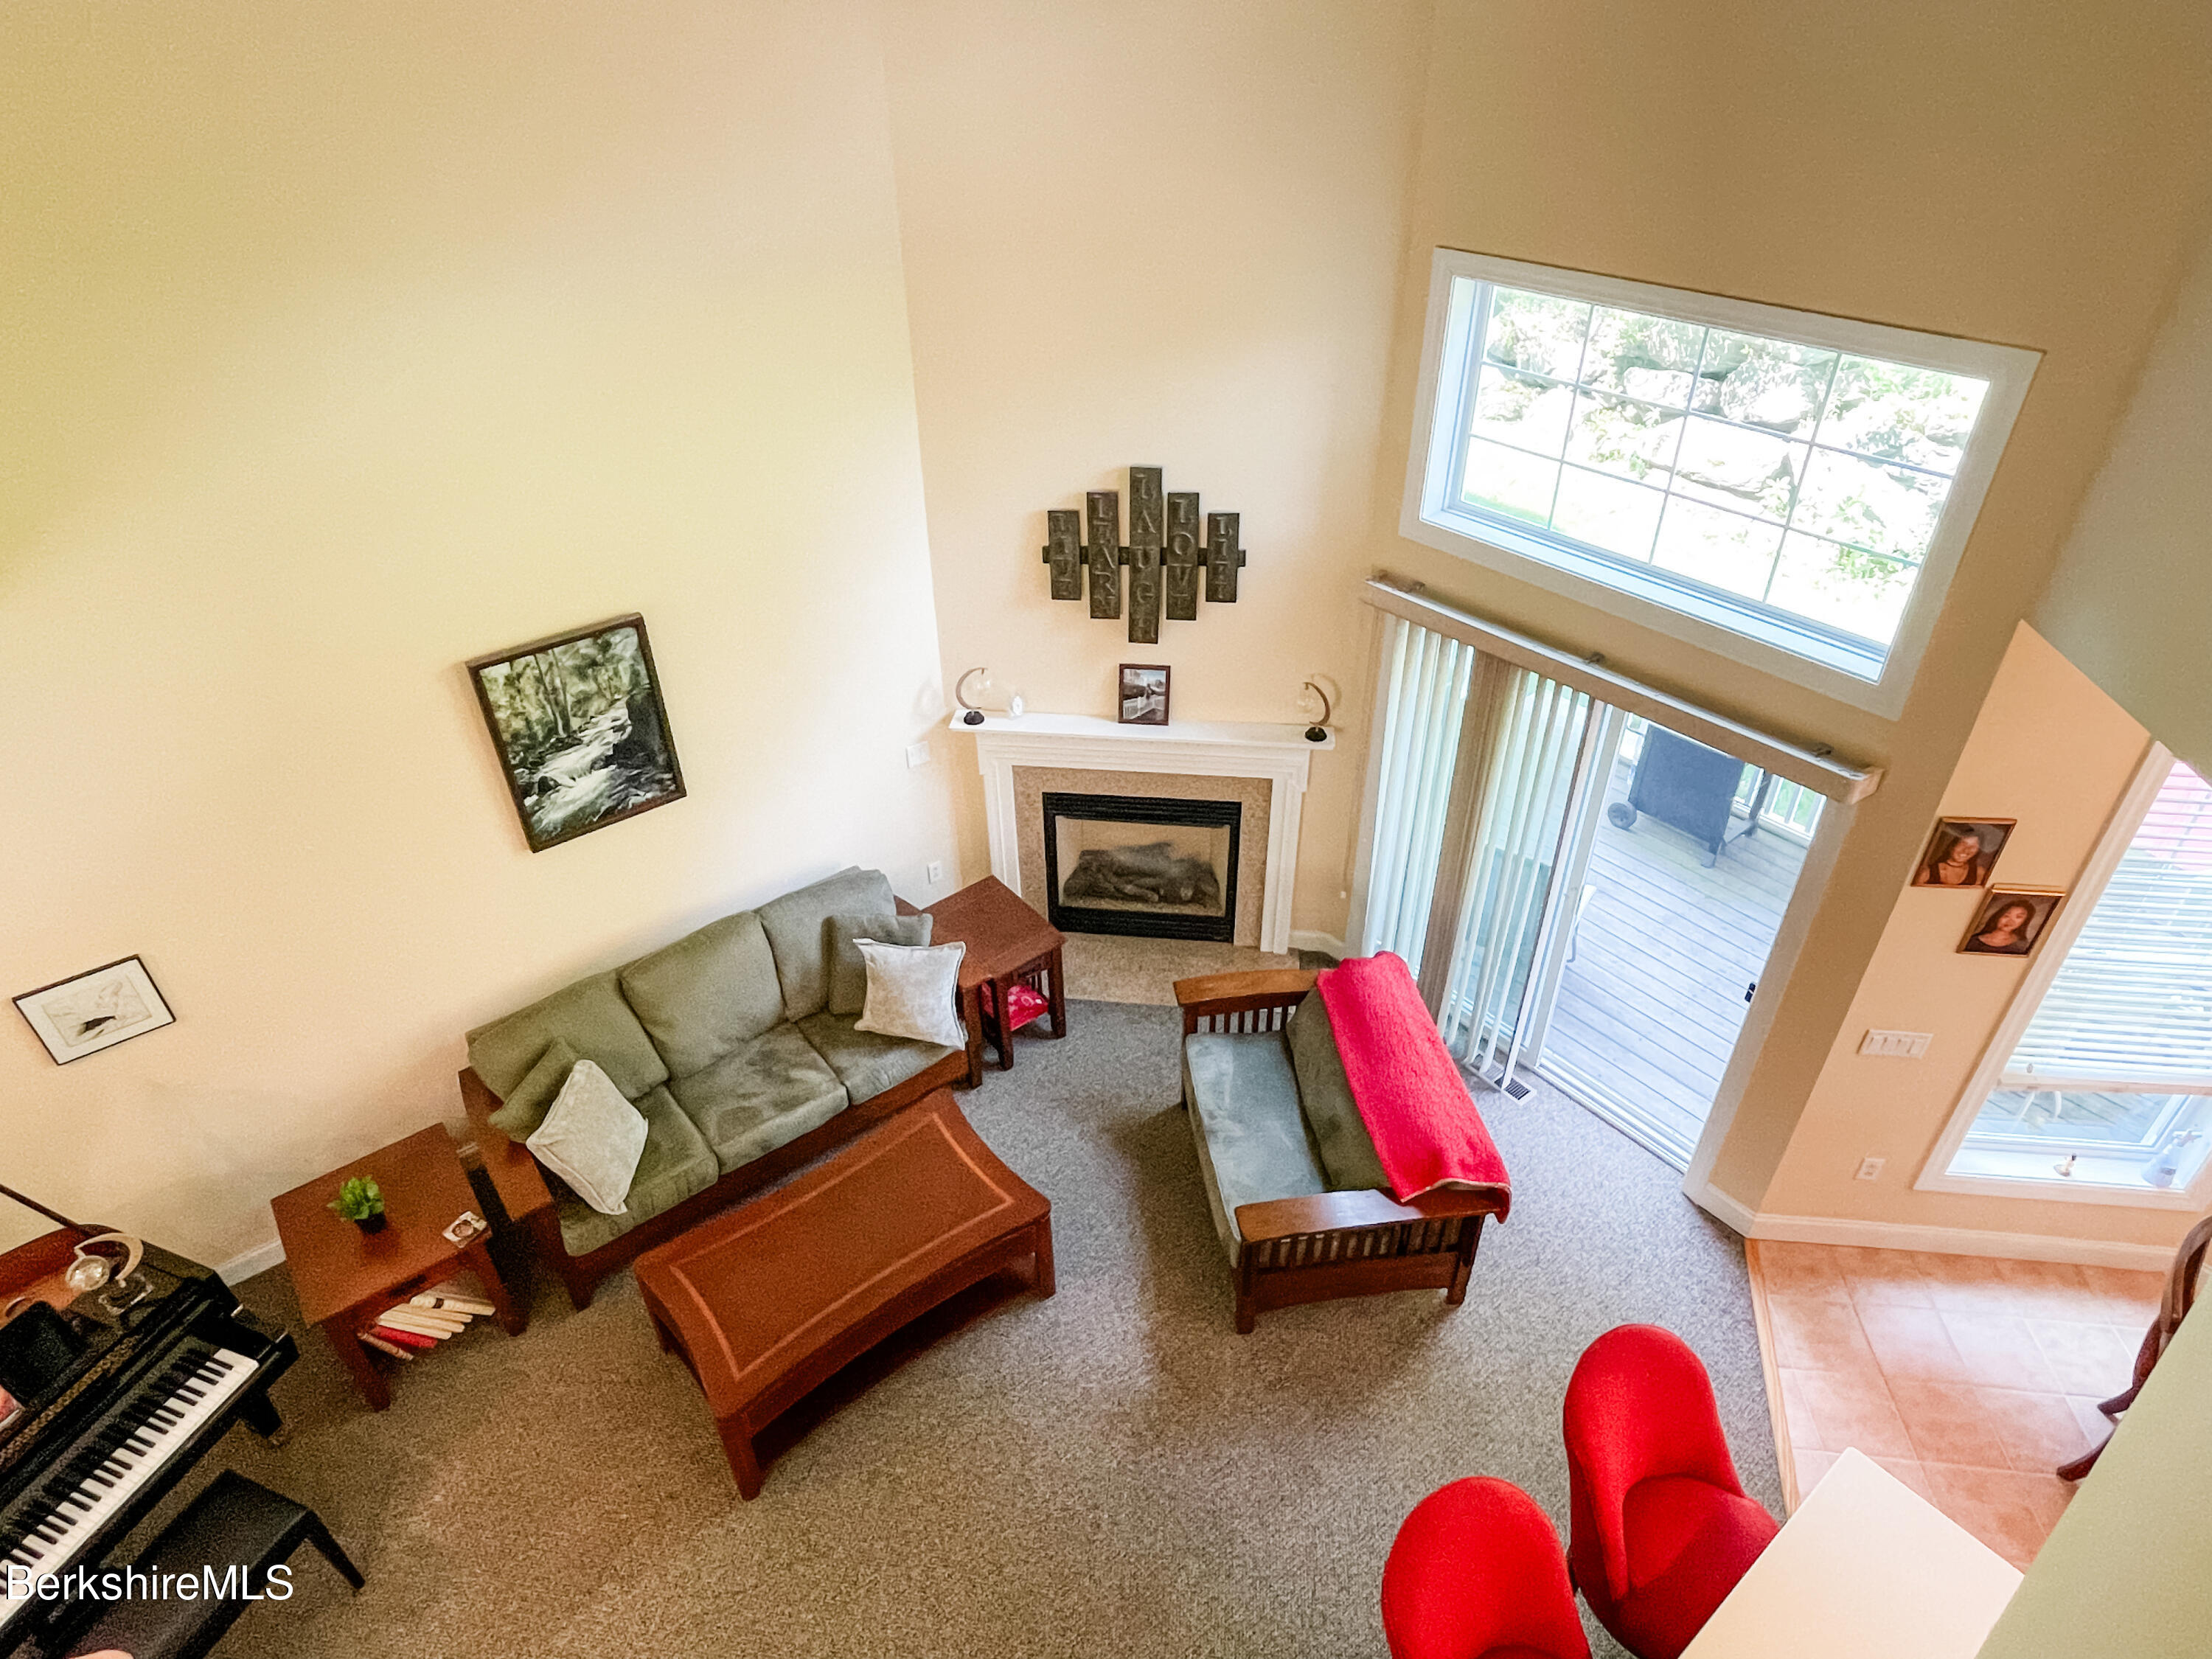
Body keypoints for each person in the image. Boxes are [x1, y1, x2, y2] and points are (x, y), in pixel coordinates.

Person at [1921, 827, 1992, 886]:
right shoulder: (1927, 872)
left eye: (1973, 847)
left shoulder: (1979, 874)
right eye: (1963, 844)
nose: (1966, 850)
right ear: (1952, 845)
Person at [1969, 899, 2038, 954]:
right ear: (1998, 916)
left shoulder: (2022, 945)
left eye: (2018, 917)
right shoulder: (1973, 941)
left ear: (2025, 921)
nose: (2010, 921)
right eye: (2006, 916)